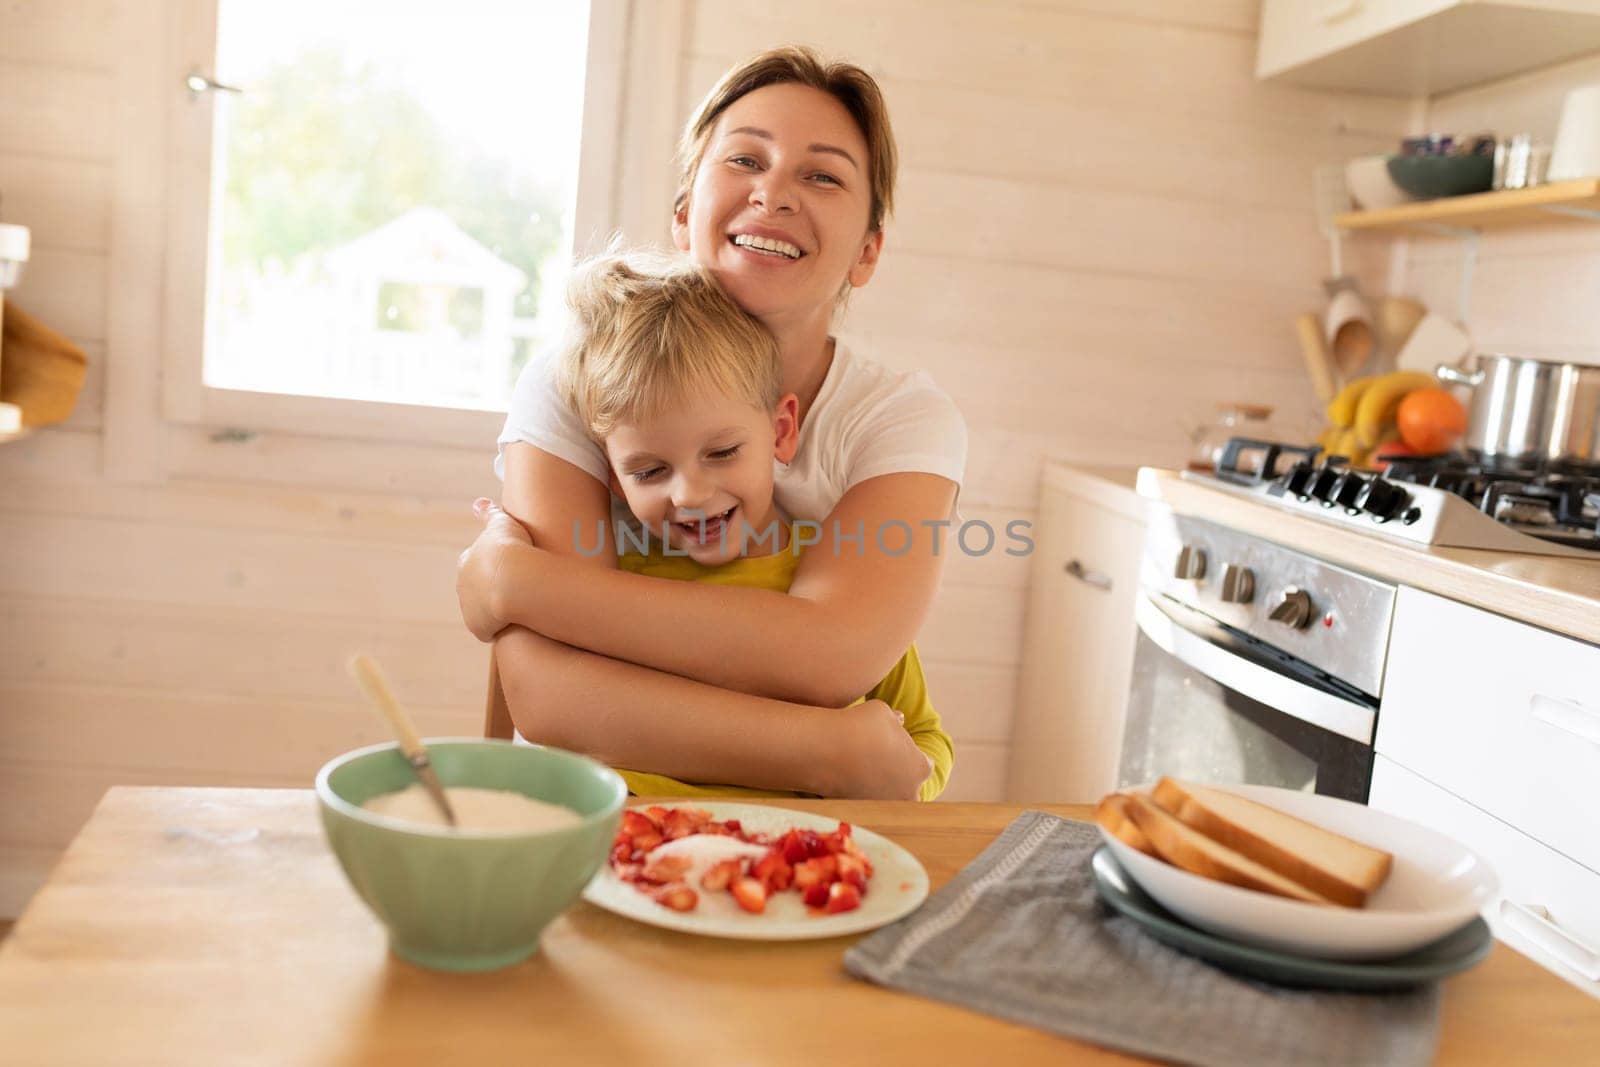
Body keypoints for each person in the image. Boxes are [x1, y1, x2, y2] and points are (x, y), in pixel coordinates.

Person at [456, 46, 967, 800]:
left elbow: (829, 658)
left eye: (821, 174)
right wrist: (821, 748)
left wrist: (517, 584)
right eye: (745, 160)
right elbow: (550, 696)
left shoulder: (900, 419)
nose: (774, 194)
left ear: (867, 252)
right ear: (684, 213)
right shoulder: (574, 382)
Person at [548, 252, 951, 800]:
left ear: (782, 431)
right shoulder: (613, 577)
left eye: (722, 452)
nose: (688, 493)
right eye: (649, 471)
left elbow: (925, 737)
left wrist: (900, 788)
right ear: (615, 482)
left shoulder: (842, 579)